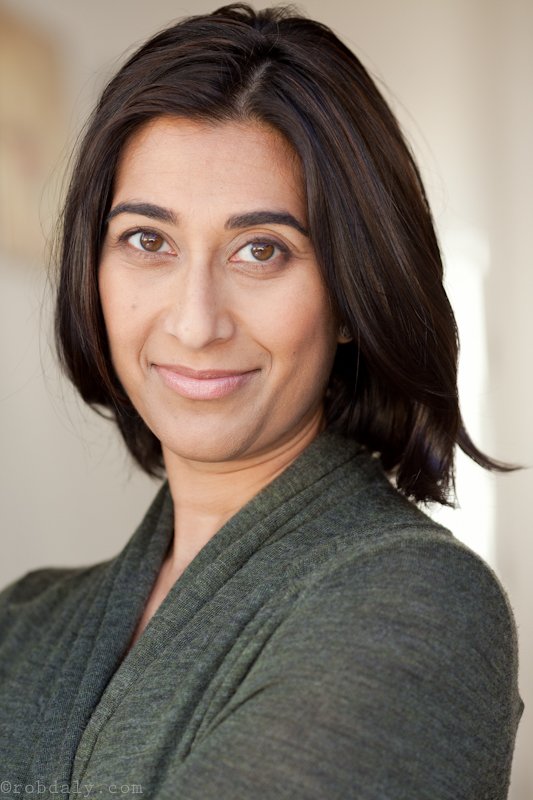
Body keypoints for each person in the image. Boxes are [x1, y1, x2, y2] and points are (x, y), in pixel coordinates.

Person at [0, 4, 523, 798]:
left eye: (261, 250)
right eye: (148, 240)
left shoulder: (420, 602)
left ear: (350, 297)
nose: (194, 322)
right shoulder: (24, 620)